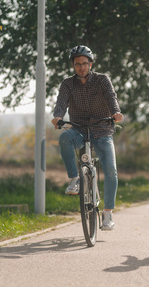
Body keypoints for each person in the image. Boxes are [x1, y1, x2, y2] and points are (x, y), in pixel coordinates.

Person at [51, 45, 123, 231]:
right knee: (64, 138)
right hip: (79, 128)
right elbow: (61, 102)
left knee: (111, 170)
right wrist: (58, 116)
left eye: (84, 63)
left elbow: (111, 97)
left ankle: (107, 213)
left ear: (90, 64)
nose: (81, 67)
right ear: (73, 66)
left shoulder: (102, 80)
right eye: (77, 64)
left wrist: (116, 112)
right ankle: (74, 178)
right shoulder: (68, 84)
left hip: (102, 128)